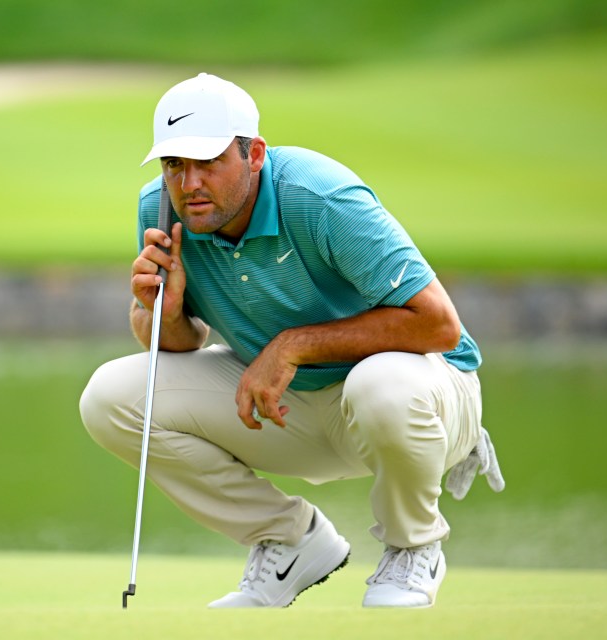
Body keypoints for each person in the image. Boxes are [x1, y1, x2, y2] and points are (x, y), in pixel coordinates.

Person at [79, 73, 504, 609]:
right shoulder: (163, 211)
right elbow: (177, 345)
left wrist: (291, 346)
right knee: (110, 398)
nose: (188, 185)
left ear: (254, 154)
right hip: (285, 410)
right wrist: (159, 309)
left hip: (422, 401)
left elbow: (438, 326)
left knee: (383, 385)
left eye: (207, 162)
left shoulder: (319, 196)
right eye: (174, 165)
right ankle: (290, 541)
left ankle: (412, 546)